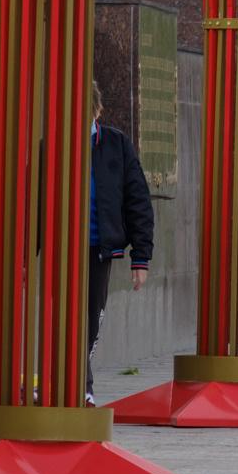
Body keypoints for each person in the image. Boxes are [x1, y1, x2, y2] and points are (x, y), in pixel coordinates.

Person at [86, 79, 155, 404]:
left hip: (97, 249)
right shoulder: (50, 146)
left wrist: (140, 257)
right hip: (61, 250)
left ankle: (80, 385)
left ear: (98, 110)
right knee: (60, 321)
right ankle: (77, 386)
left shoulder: (116, 144)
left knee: (90, 320)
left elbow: (137, 200)